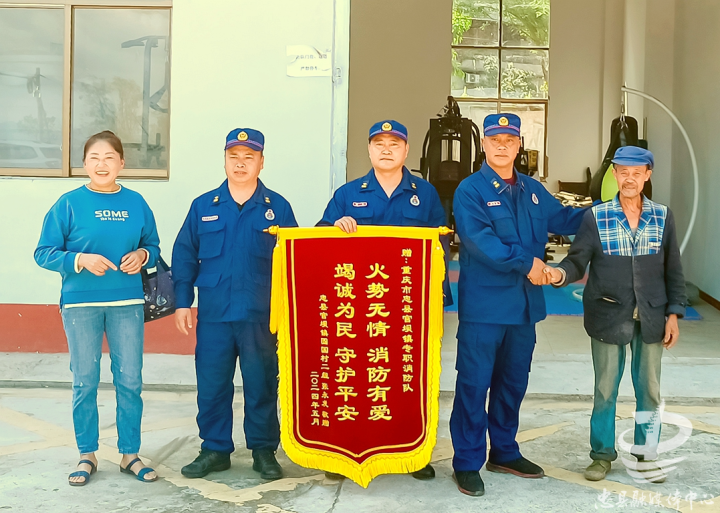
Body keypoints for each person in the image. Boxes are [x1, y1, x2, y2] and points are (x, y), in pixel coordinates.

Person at [450, 114, 586, 497]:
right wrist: (529, 264)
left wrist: (612, 208)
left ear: (519, 145)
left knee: (512, 383)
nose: (502, 145)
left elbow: (565, 218)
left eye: (509, 139)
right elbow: (481, 242)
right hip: (485, 310)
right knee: (474, 385)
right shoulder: (470, 190)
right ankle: (467, 462)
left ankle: (504, 451)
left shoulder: (532, 190)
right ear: (483, 144)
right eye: (495, 139)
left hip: (524, 309)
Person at [318, 119, 450, 481]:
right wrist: (335, 228)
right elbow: (318, 240)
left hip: (408, 307)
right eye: (379, 144)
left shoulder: (425, 194)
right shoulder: (348, 194)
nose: (386, 150)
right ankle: (346, 453)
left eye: (394, 144)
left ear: (406, 151)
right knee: (355, 380)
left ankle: (411, 453)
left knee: (409, 380)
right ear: (369, 150)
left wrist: (436, 295)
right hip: (358, 310)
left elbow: (440, 245)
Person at [546, 146, 686, 483]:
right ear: (614, 175)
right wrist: (559, 274)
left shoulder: (662, 216)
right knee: (605, 389)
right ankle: (601, 456)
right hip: (607, 313)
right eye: (624, 172)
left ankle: (646, 456)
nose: (630, 179)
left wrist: (674, 314)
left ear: (647, 175)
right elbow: (577, 260)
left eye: (637, 173)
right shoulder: (596, 217)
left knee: (649, 390)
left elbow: (673, 269)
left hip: (651, 314)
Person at [34, 131, 161, 486]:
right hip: (81, 304)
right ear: (84, 164)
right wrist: (79, 260)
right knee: (85, 380)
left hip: (127, 303)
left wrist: (142, 255)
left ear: (122, 162)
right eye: (94, 158)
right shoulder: (69, 203)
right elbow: (43, 252)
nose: (102, 164)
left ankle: (130, 454)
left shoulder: (136, 202)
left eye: (109, 158)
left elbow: (152, 244)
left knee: (130, 379)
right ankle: (86, 454)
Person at [172, 128, 298, 480]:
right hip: (215, 315)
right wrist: (182, 302)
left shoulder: (277, 208)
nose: (240, 164)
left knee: (261, 385)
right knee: (212, 385)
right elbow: (184, 254)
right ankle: (214, 449)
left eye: (248, 157)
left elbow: (294, 261)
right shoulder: (203, 206)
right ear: (225, 160)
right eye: (234, 157)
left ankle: (263, 450)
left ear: (261, 162)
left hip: (261, 317)